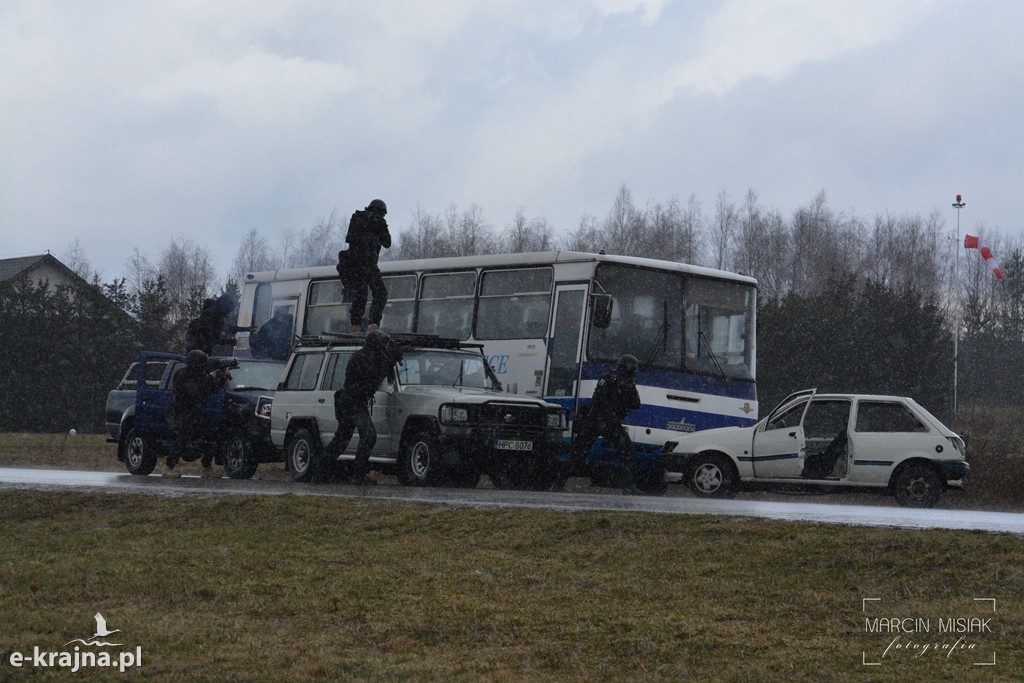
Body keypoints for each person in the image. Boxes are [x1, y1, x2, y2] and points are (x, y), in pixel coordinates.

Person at [553, 354, 642, 495]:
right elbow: (636, 404)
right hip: (609, 422)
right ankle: (629, 486)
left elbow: (597, 398)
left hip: (592, 419)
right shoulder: (626, 382)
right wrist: (632, 386)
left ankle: (558, 483)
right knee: (628, 451)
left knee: (577, 454)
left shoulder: (606, 377)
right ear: (630, 369)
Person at [324, 330, 400, 485]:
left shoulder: (370, 356)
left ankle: (322, 471)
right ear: (375, 343)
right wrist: (390, 359)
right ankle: (357, 476)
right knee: (368, 436)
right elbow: (374, 377)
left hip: (353, 401)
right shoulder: (361, 357)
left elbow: (378, 372)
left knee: (342, 438)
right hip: (351, 401)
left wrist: (390, 358)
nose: (384, 347)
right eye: (383, 344)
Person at [166, 349, 230, 478]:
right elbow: (194, 392)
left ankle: (207, 467)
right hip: (182, 412)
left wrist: (222, 378)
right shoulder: (182, 375)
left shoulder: (199, 376)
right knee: (181, 440)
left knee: (208, 439)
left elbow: (210, 391)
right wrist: (209, 378)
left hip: (196, 412)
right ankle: (169, 467)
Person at [341, 198, 391, 333]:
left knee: (360, 295)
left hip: (353, 265)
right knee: (380, 294)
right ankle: (373, 324)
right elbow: (387, 242)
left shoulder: (357, 218)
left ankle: (355, 325)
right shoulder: (378, 221)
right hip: (367, 264)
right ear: (381, 212)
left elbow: (349, 238)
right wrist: (378, 227)